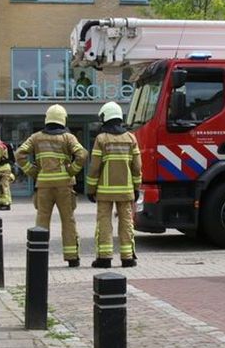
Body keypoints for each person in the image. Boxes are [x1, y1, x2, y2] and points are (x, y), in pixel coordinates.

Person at [16, 104, 88, 267]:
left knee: (42, 220)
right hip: (65, 186)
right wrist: (71, 170)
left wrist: (34, 172)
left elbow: (19, 154)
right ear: (63, 119)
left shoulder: (36, 137)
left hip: (44, 186)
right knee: (68, 221)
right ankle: (72, 257)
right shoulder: (68, 137)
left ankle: (39, 257)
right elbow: (82, 154)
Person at [86, 101, 142, 268]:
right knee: (126, 222)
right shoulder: (131, 138)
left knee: (104, 222)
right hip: (126, 191)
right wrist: (136, 187)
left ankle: (104, 258)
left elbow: (95, 167)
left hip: (104, 192)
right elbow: (137, 166)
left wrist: (90, 189)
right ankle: (127, 258)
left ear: (106, 116)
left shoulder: (101, 139)